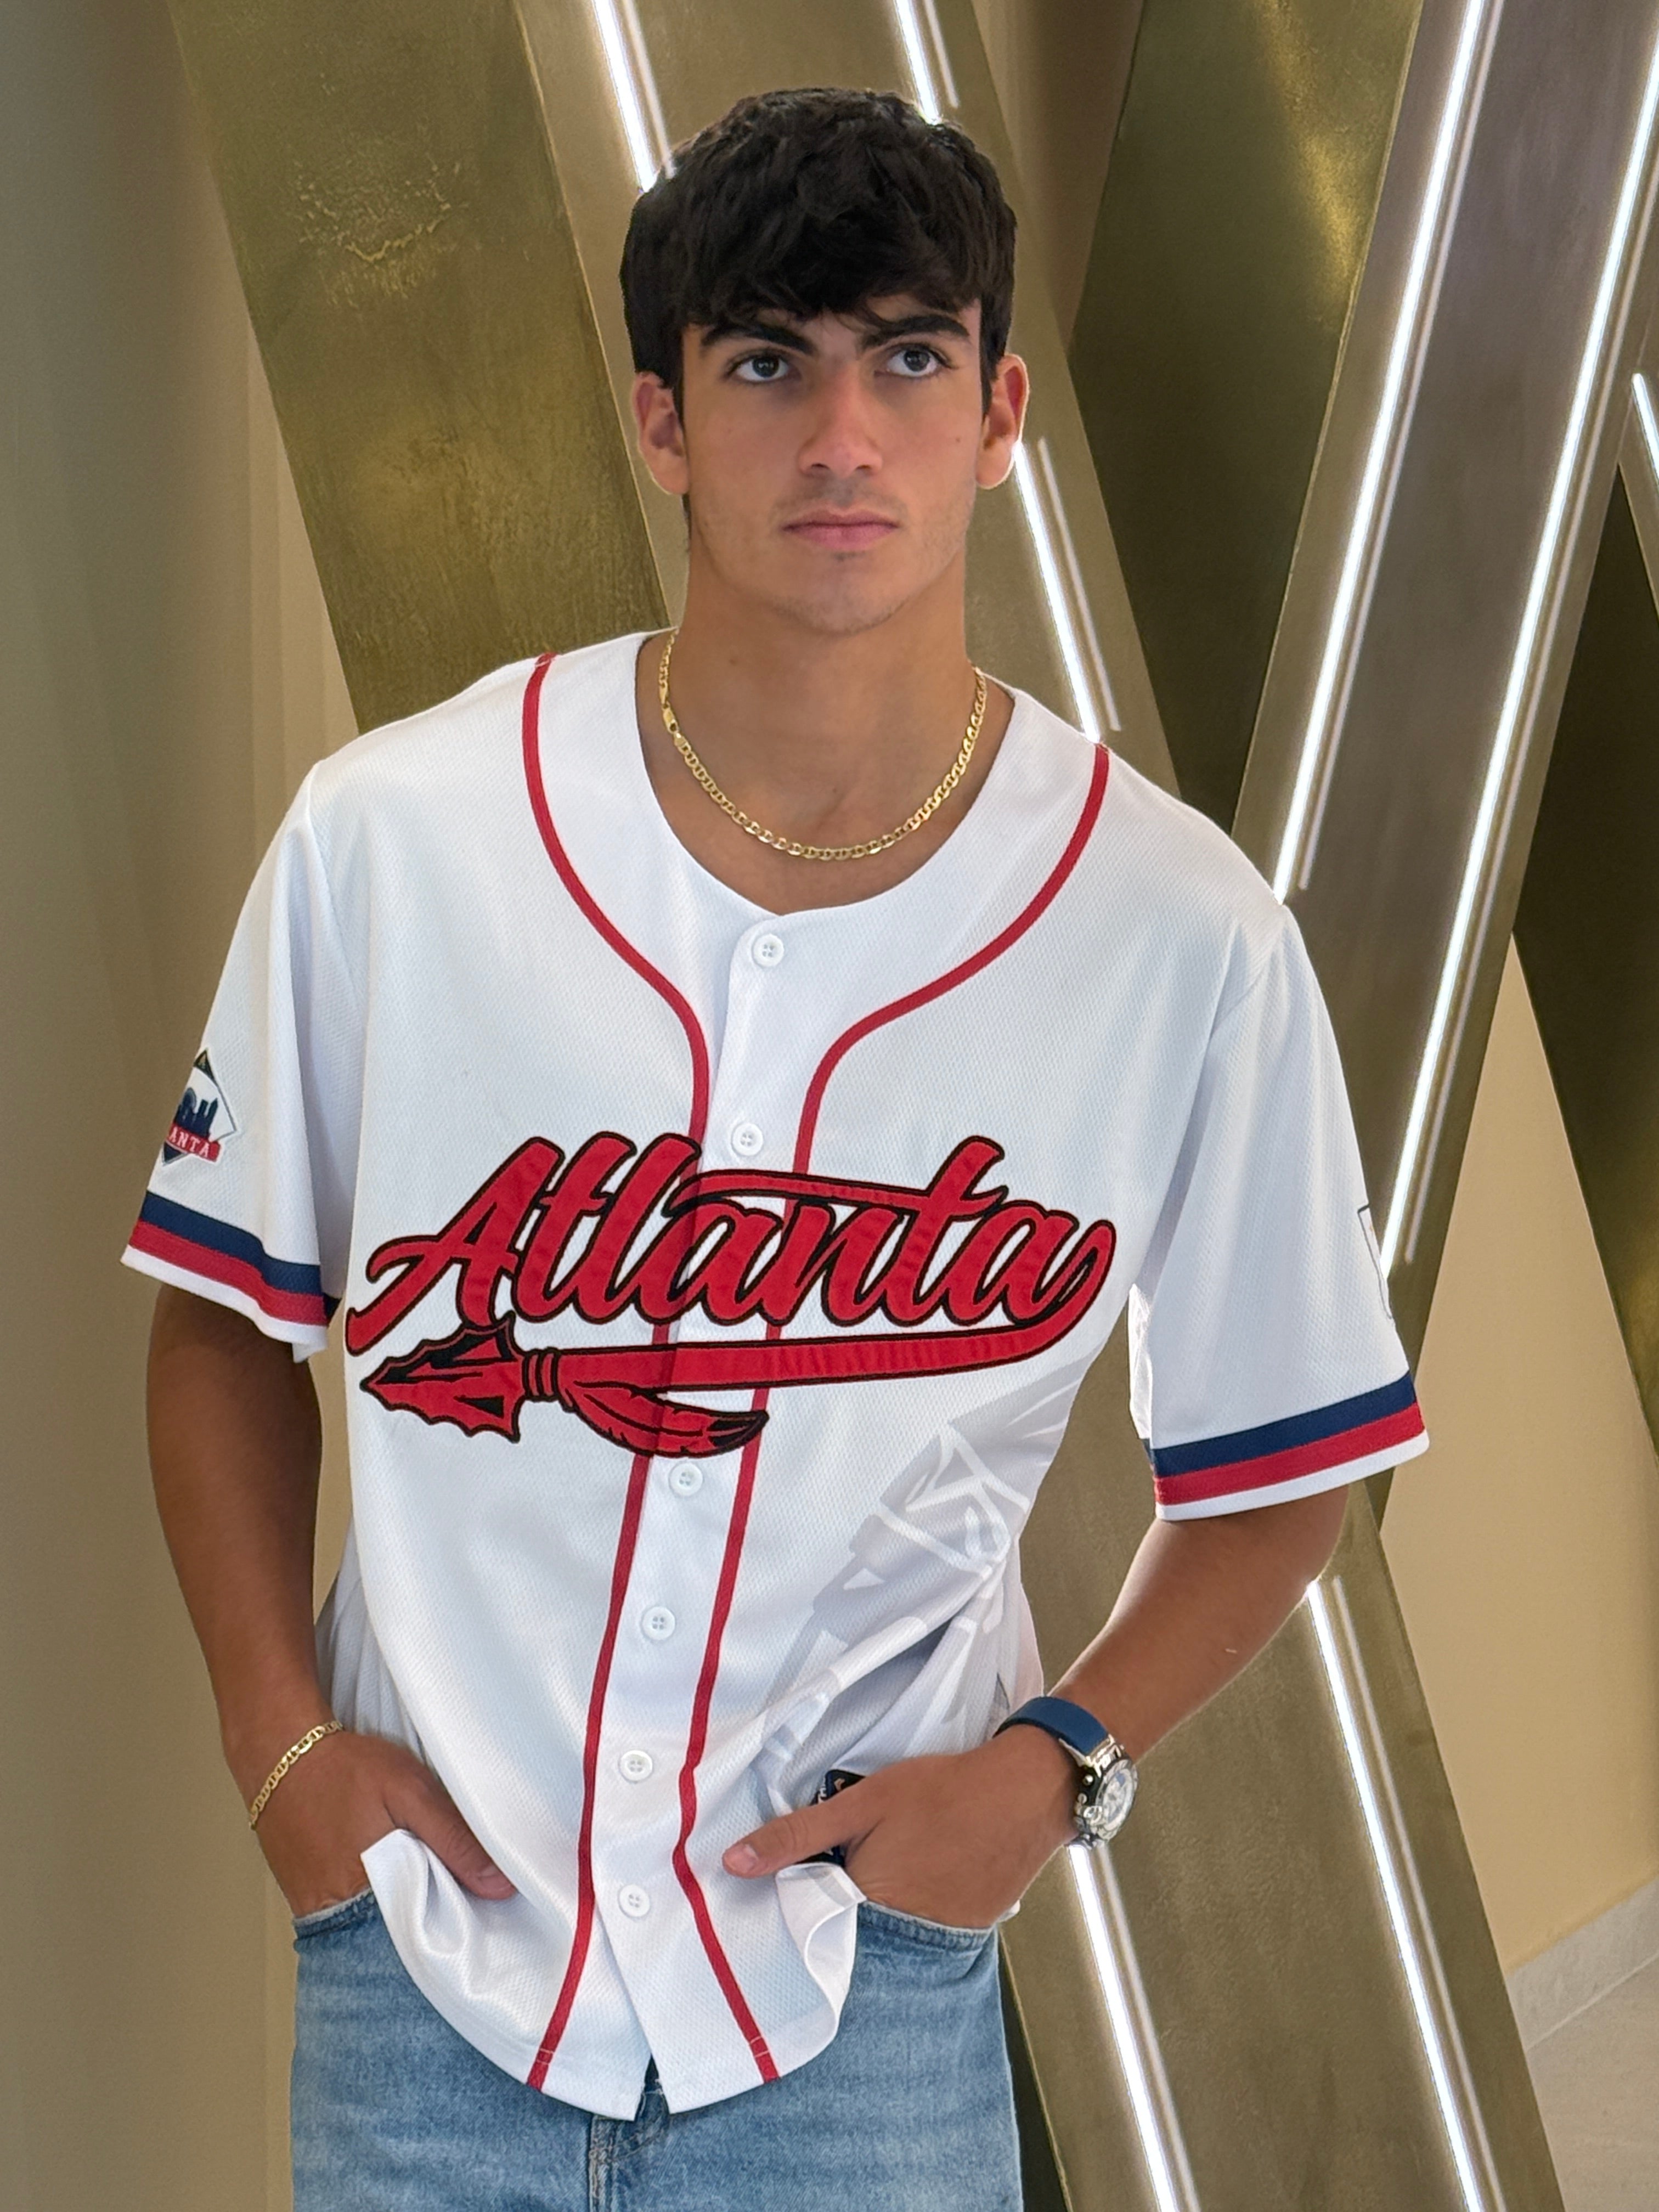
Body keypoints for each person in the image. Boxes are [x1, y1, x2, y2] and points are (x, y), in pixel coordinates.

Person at [129, 87, 1426, 2211]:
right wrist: (282, 1750)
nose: (842, 437)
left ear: (999, 412)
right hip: (431, 1966)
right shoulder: (400, 841)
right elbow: (217, 1326)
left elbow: (1294, 1456)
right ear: (662, 419)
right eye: (765, 364)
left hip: (849, 2001)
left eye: (907, 358)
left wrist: (1057, 1770)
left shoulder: (1179, 933)